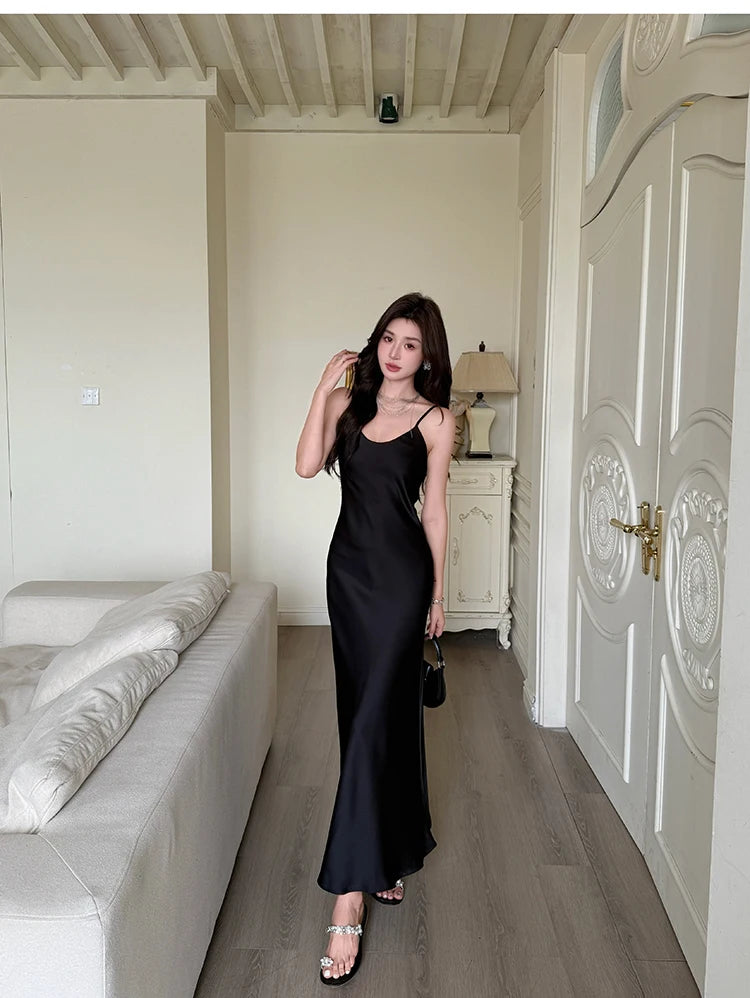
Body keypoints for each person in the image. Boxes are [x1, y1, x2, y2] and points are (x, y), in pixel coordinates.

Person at [295, 291, 455, 986]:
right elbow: (306, 466)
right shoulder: (347, 406)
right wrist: (320, 389)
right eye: (389, 338)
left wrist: (438, 594)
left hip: (401, 583)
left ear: (427, 356)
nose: (395, 352)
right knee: (366, 713)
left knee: (370, 724)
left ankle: (349, 895)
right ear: (376, 341)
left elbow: (435, 512)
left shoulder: (436, 420)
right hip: (349, 578)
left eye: (410, 344)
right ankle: (388, 849)